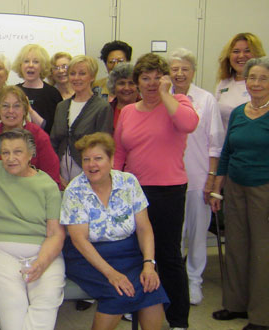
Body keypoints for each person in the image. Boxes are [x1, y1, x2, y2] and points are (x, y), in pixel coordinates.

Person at [113, 53, 199, 330]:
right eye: (145, 78)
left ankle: (177, 320)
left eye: (156, 78)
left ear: (165, 79)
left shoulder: (179, 103)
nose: (150, 83)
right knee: (137, 253)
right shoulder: (127, 111)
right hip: (134, 193)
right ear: (137, 81)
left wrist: (166, 94)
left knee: (168, 255)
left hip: (169, 191)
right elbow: (119, 152)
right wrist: (113, 186)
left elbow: (189, 124)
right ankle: (140, 307)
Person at [209, 57, 269, 330]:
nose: (256, 83)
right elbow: (227, 153)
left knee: (264, 255)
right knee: (236, 248)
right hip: (236, 187)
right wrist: (217, 189)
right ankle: (236, 304)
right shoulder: (239, 112)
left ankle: (261, 317)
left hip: (268, 190)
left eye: (263, 79)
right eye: (252, 78)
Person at [61, 132, 168, 330]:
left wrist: (149, 264)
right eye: (86, 160)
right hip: (87, 256)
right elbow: (79, 241)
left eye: (98, 158)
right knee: (118, 290)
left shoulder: (128, 182)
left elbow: (144, 228)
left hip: (128, 252)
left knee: (151, 287)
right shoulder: (75, 191)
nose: (92, 165)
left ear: (111, 160)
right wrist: (111, 274)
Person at [0, 128, 65, 330]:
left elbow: (55, 233)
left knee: (47, 300)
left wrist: (41, 263)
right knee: (14, 302)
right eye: (5, 152)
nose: (11, 158)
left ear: (30, 154)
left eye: (18, 152)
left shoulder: (47, 185)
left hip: (42, 252)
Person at [167, 48, 224, 305]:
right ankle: (174, 282)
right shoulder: (160, 97)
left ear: (193, 71)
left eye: (185, 69)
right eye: (174, 68)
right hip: (168, 178)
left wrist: (212, 179)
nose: (179, 73)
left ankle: (194, 281)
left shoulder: (206, 99)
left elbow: (215, 143)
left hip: (199, 177)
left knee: (198, 234)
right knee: (172, 235)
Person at [50, 55, 113, 187]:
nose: (76, 78)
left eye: (82, 73)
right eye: (72, 73)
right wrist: (57, 174)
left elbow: (104, 146)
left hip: (90, 176)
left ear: (92, 77)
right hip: (61, 177)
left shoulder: (102, 107)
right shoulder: (61, 107)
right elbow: (54, 141)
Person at [0, 85, 61, 186]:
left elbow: (52, 176)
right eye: (5, 106)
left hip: (33, 191)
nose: (11, 111)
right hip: (0, 192)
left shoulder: (39, 136)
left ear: (24, 110)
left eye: (17, 106)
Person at [215, 32, 269, 131]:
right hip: (233, 143)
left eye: (248, 51)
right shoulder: (224, 83)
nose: (241, 56)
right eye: (236, 51)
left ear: (258, 54)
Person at [13, 44, 61, 133]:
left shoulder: (52, 93)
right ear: (20, 65)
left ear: (42, 66)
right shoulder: (14, 91)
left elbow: (52, 129)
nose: (30, 65)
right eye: (26, 61)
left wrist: (29, 110)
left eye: (35, 62)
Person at [107, 63, 139, 128]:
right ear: (113, 86)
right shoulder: (106, 111)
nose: (126, 88)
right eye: (121, 83)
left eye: (131, 83)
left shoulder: (147, 109)